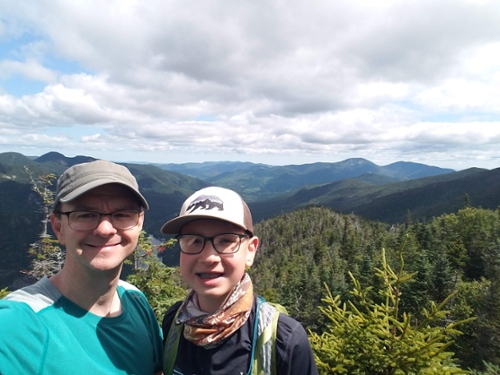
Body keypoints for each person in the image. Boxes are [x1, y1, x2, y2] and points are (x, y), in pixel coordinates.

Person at [0, 160, 163, 374]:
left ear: (139, 223)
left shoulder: (135, 299)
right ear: (58, 227)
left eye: (122, 214)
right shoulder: (18, 325)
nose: (105, 229)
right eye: (85, 215)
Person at [160, 186, 319, 375]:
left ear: (250, 251)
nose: (209, 257)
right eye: (194, 240)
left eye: (226, 241)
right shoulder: (174, 322)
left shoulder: (284, 340)